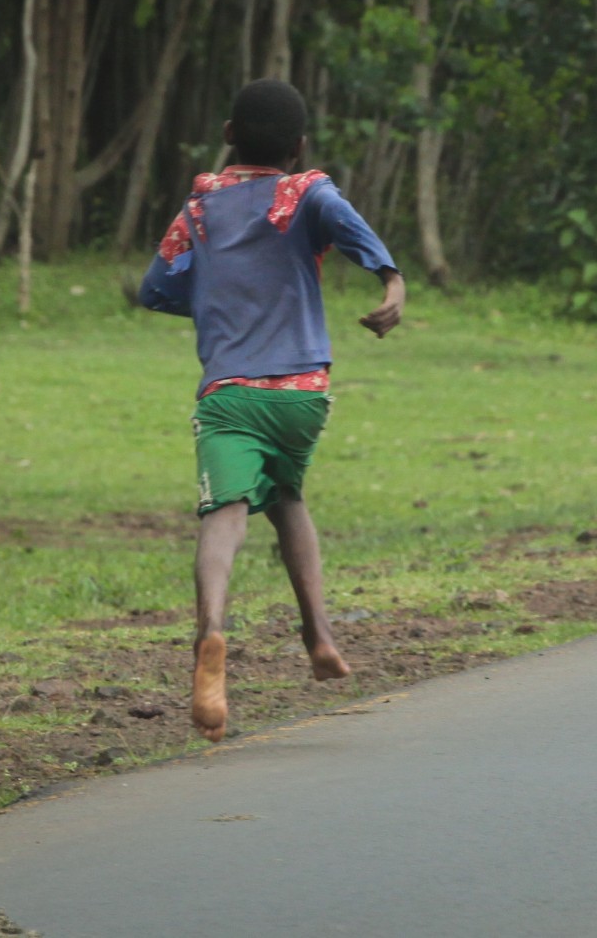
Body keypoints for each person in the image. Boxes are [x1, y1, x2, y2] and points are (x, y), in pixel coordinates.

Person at [138, 79, 405, 743]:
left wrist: (211, 296)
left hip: (229, 392)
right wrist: (393, 285)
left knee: (223, 517)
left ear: (229, 134)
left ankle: (211, 635)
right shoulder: (309, 191)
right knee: (287, 496)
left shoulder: (199, 210)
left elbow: (155, 287)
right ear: (300, 145)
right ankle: (318, 635)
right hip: (301, 395)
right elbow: (358, 238)